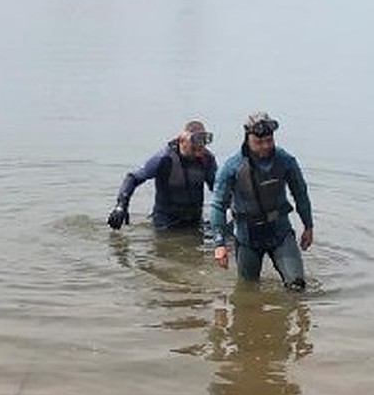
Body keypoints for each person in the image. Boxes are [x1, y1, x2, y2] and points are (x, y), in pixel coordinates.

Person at [208, 112, 313, 291]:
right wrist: (219, 244)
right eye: (259, 142)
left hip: (280, 232)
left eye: (269, 140)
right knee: (247, 292)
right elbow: (218, 205)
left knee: (297, 286)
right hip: (247, 236)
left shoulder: (285, 161)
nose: (265, 146)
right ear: (247, 138)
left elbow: (300, 193)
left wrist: (308, 226)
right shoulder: (232, 166)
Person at [107, 120, 217, 231]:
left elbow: (218, 188)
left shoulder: (207, 159)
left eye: (201, 149)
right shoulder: (164, 159)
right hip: (165, 224)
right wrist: (121, 206)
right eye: (194, 149)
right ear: (182, 141)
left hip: (194, 223)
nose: (198, 154)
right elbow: (133, 178)